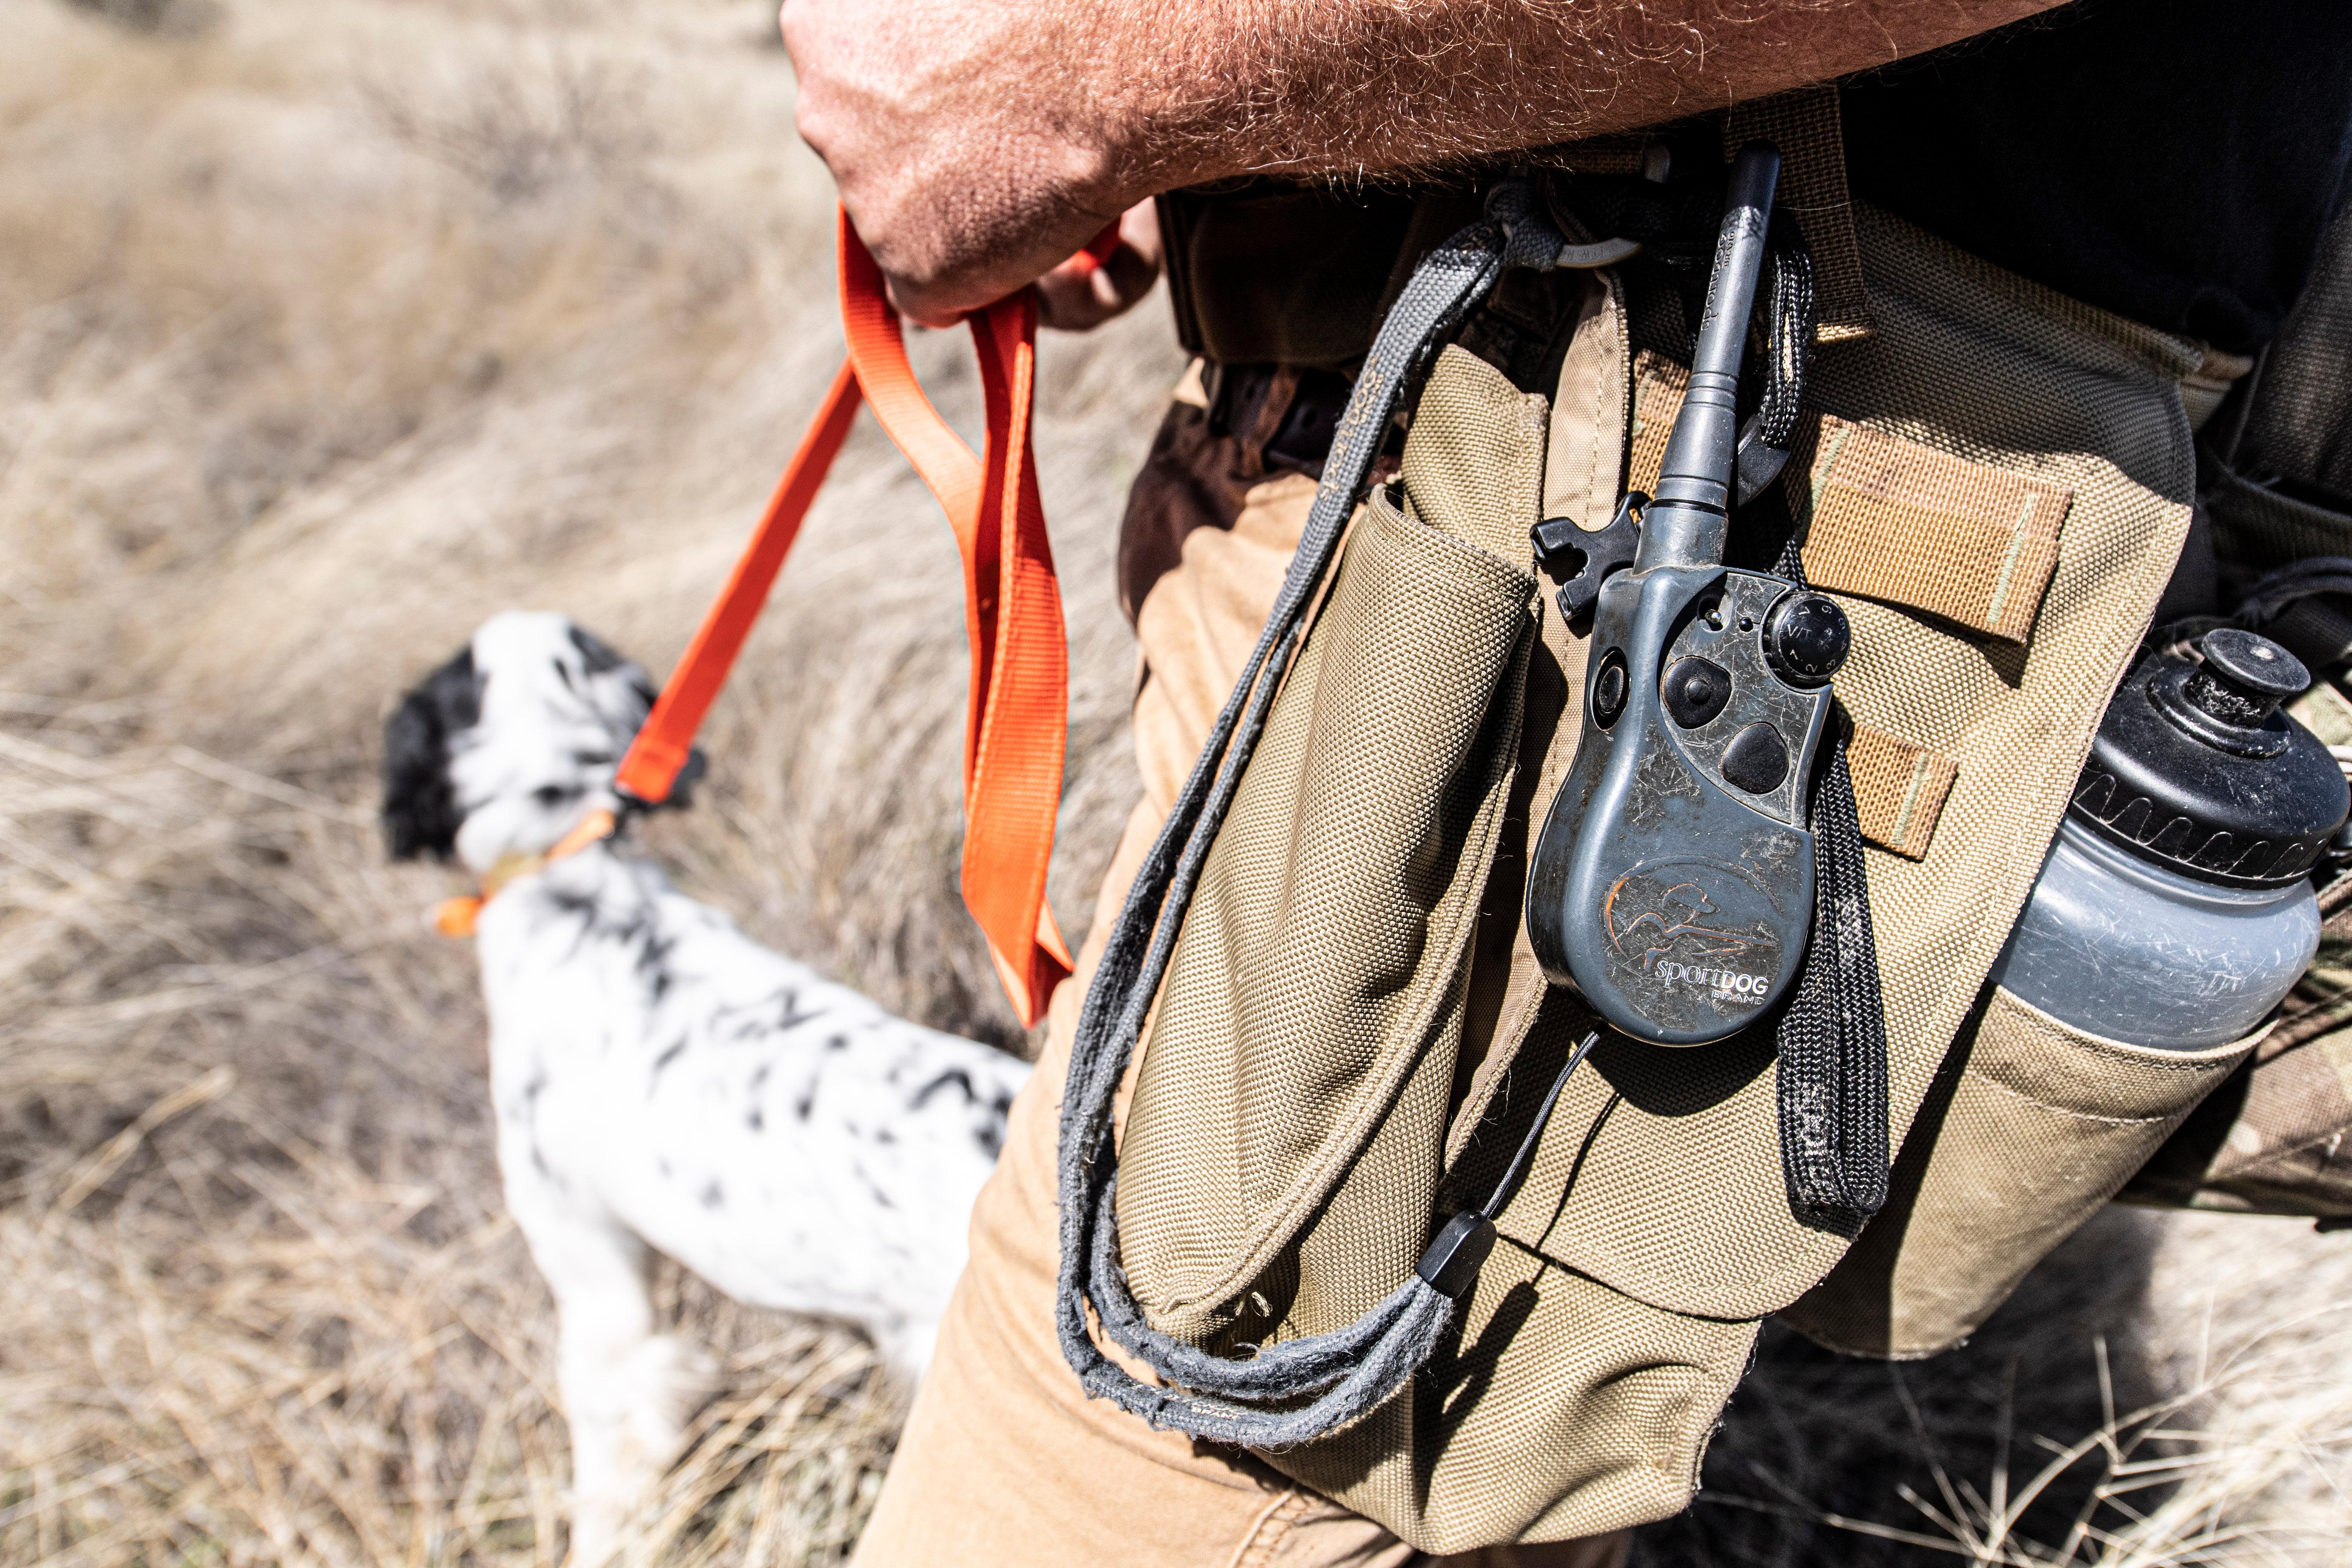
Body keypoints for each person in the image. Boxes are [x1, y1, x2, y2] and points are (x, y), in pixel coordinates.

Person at [776, 2, 2352, 1564]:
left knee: (1224, 1414)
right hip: (1421, 394)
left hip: (1647, 462)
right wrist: (1218, 111)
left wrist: (1106, 77)